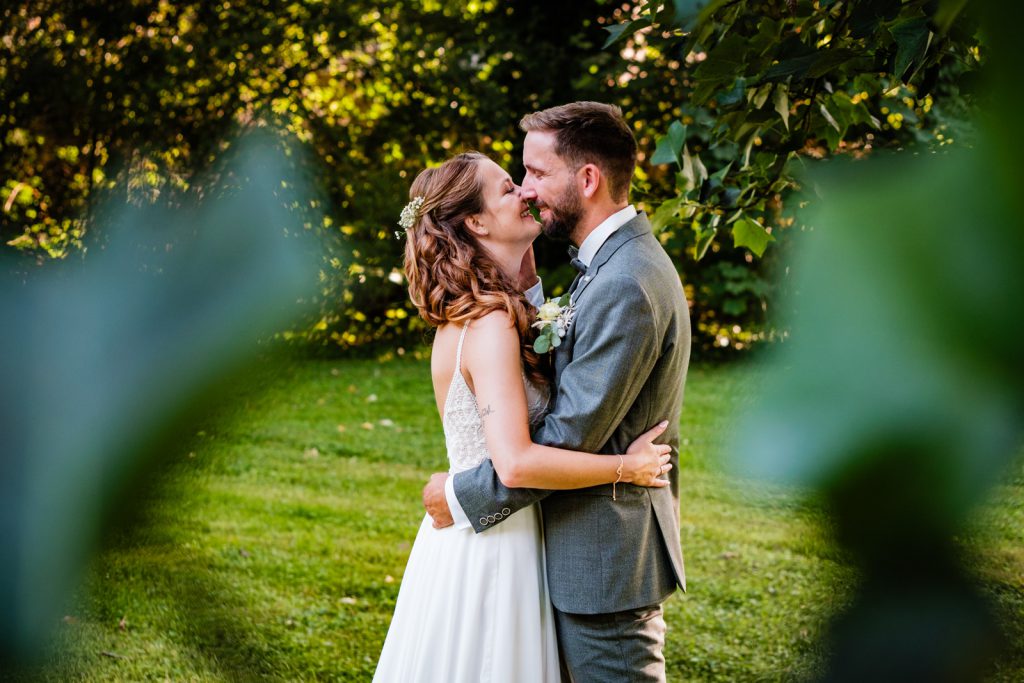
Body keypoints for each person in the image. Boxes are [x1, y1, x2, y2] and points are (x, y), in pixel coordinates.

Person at [372, 150, 675, 683]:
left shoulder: (489, 312)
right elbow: (514, 464)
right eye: (509, 187)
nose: (526, 194)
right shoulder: (488, 324)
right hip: (494, 550)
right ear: (476, 221)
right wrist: (628, 468)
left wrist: (528, 287)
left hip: (505, 531)